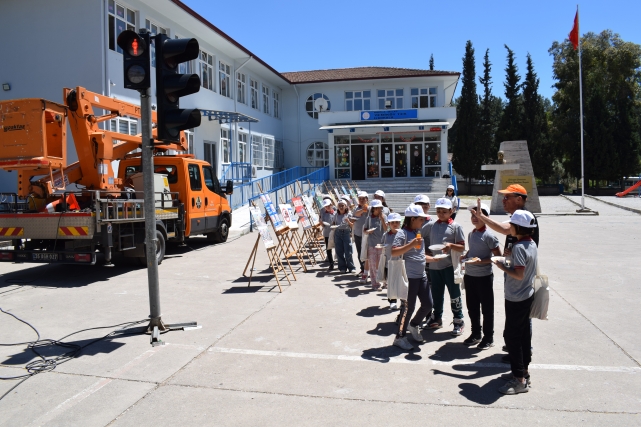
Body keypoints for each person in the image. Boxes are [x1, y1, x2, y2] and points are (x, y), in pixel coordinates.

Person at [470, 184, 539, 361]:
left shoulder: (523, 218)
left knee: (521, 320)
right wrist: (509, 254)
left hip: (520, 279)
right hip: (515, 272)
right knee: (517, 320)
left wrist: (482, 217)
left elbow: (503, 229)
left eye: (507, 197)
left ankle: (521, 353)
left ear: (519, 199)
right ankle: (518, 351)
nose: (503, 200)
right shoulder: (519, 219)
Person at [493, 209, 538, 395]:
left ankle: (519, 380)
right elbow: (523, 267)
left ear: (518, 227)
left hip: (516, 297)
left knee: (512, 337)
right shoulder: (530, 244)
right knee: (523, 335)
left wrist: (501, 265)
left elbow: (518, 274)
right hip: (526, 295)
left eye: (511, 224)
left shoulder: (519, 247)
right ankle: (523, 372)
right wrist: (510, 257)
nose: (509, 227)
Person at [392, 204, 433, 351]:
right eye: (421, 219)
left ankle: (414, 325)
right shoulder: (402, 233)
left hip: (421, 275)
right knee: (408, 308)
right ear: (412, 219)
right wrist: (411, 244)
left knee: (428, 304)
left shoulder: (417, 232)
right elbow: (394, 252)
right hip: (409, 277)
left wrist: (434, 259)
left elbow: (419, 255)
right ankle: (399, 337)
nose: (423, 221)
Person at [424, 198, 466, 336]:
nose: (441, 214)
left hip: (449, 266)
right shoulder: (431, 225)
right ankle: (437, 318)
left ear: (451, 211)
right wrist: (426, 251)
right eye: (438, 211)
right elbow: (423, 239)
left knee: (454, 295)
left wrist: (451, 246)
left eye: (444, 211)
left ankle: (458, 320)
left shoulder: (456, 226)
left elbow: (462, 247)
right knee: (436, 295)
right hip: (434, 266)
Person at [463, 203, 502, 350]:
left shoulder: (489, 236)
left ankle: (488, 337)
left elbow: (498, 257)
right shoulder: (471, 234)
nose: (475, 218)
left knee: (486, 309)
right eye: (473, 215)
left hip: (484, 277)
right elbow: (472, 251)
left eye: (479, 215)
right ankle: (476, 334)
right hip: (469, 275)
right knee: (472, 308)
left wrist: (481, 261)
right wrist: (465, 256)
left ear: (486, 217)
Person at [363, 199, 387, 290]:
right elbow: (365, 230)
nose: (379, 210)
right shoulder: (369, 218)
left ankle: (385, 282)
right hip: (372, 244)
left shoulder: (384, 217)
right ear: (373, 209)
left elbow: (386, 229)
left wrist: (382, 219)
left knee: (383, 264)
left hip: (382, 244)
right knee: (372, 265)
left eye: (380, 208)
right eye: (377, 208)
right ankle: (375, 284)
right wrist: (368, 231)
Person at [380, 212, 402, 310]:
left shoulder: (403, 234)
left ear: (400, 223)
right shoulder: (386, 235)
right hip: (389, 262)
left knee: (400, 282)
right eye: (392, 222)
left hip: (400, 262)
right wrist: (382, 247)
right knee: (391, 282)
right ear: (388, 224)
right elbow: (382, 244)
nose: (395, 224)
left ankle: (403, 301)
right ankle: (392, 301)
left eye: (397, 222)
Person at [349, 191, 369, 279]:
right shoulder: (356, 208)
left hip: (367, 234)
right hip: (358, 233)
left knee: (368, 253)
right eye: (360, 199)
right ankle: (362, 269)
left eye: (363, 199)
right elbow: (354, 215)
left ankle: (368, 270)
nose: (361, 200)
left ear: (367, 199)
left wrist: (365, 209)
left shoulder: (371, 208)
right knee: (360, 253)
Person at [333, 199, 356, 273]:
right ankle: (342, 268)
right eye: (339, 206)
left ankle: (351, 267)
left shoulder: (349, 215)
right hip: (338, 233)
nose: (341, 207)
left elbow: (353, 226)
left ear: (346, 206)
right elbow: (333, 223)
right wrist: (333, 226)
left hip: (346, 233)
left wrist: (348, 221)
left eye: (342, 205)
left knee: (348, 251)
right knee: (339, 251)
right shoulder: (336, 215)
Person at [320, 199, 335, 271]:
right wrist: (321, 223)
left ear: (331, 205)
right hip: (327, 233)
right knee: (328, 248)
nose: (327, 207)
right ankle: (331, 263)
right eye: (326, 206)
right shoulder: (323, 213)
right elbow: (323, 224)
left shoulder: (335, 212)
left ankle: (340, 262)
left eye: (328, 206)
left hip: (335, 232)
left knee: (338, 248)